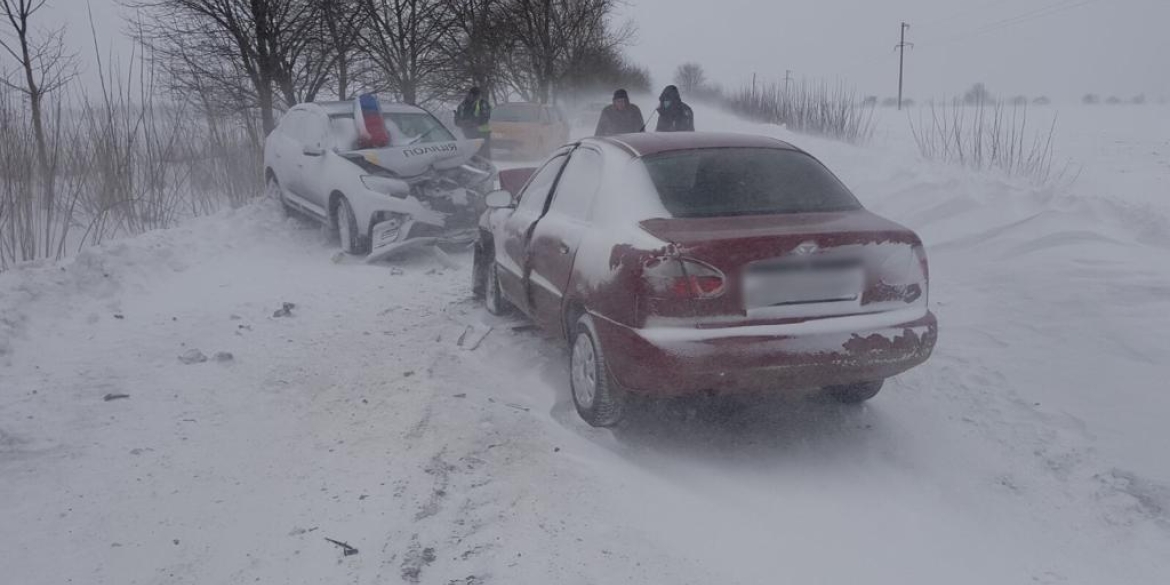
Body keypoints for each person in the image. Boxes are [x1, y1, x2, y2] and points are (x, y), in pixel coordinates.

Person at [455, 87, 492, 157]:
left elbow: (485, 117)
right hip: (468, 135)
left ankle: (485, 166)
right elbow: (456, 120)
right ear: (470, 94)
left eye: (477, 95)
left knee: (483, 155)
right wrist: (461, 123)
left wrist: (472, 122)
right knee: (470, 154)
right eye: (472, 95)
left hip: (482, 134)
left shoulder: (482, 103)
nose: (475, 97)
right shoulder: (462, 105)